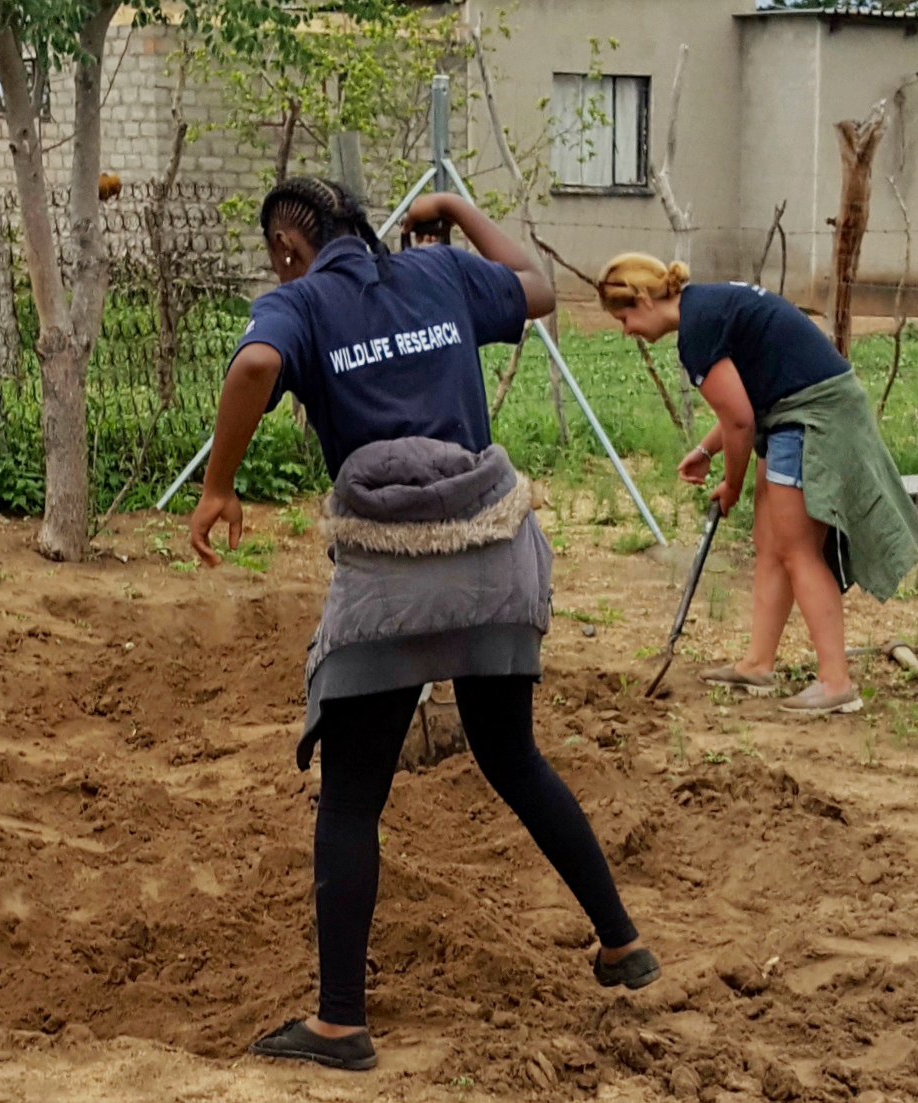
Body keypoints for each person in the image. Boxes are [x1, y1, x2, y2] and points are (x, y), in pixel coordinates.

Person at [189, 178, 657, 1072]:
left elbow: (253, 368)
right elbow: (540, 290)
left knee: (352, 796)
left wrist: (218, 485)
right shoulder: (438, 271)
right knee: (512, 756)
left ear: (289, 249)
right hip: (493, 549)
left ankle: (338, 1023)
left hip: (394, 574)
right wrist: (457, 213)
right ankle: (619, 940)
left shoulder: (298, 300)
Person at [596, 255, 918, 713]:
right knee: (770, 542)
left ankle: (836, 683)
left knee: (797, 550)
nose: (627, 330)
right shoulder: (704, 308)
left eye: (625, 318)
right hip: (791, 408)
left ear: (642, 299)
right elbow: (748, 393)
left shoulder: (698, 330)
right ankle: (757, 664)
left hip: (813, 414)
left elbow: (740, 422)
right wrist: (706, 450)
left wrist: (731, 486)